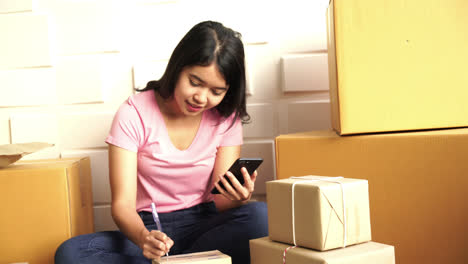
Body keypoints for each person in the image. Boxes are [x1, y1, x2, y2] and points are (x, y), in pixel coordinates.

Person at [55, 20, 268, 264]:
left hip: (204, 226)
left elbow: (220, 201)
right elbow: (122, 204)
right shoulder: (133, 113)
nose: (201, 98)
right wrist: (144, 238)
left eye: (216, 92)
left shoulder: (226, 118)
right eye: (195, 82)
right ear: (178, 68)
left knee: (261, 217)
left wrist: (238, 197)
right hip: (147, 227)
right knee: (71, 253)